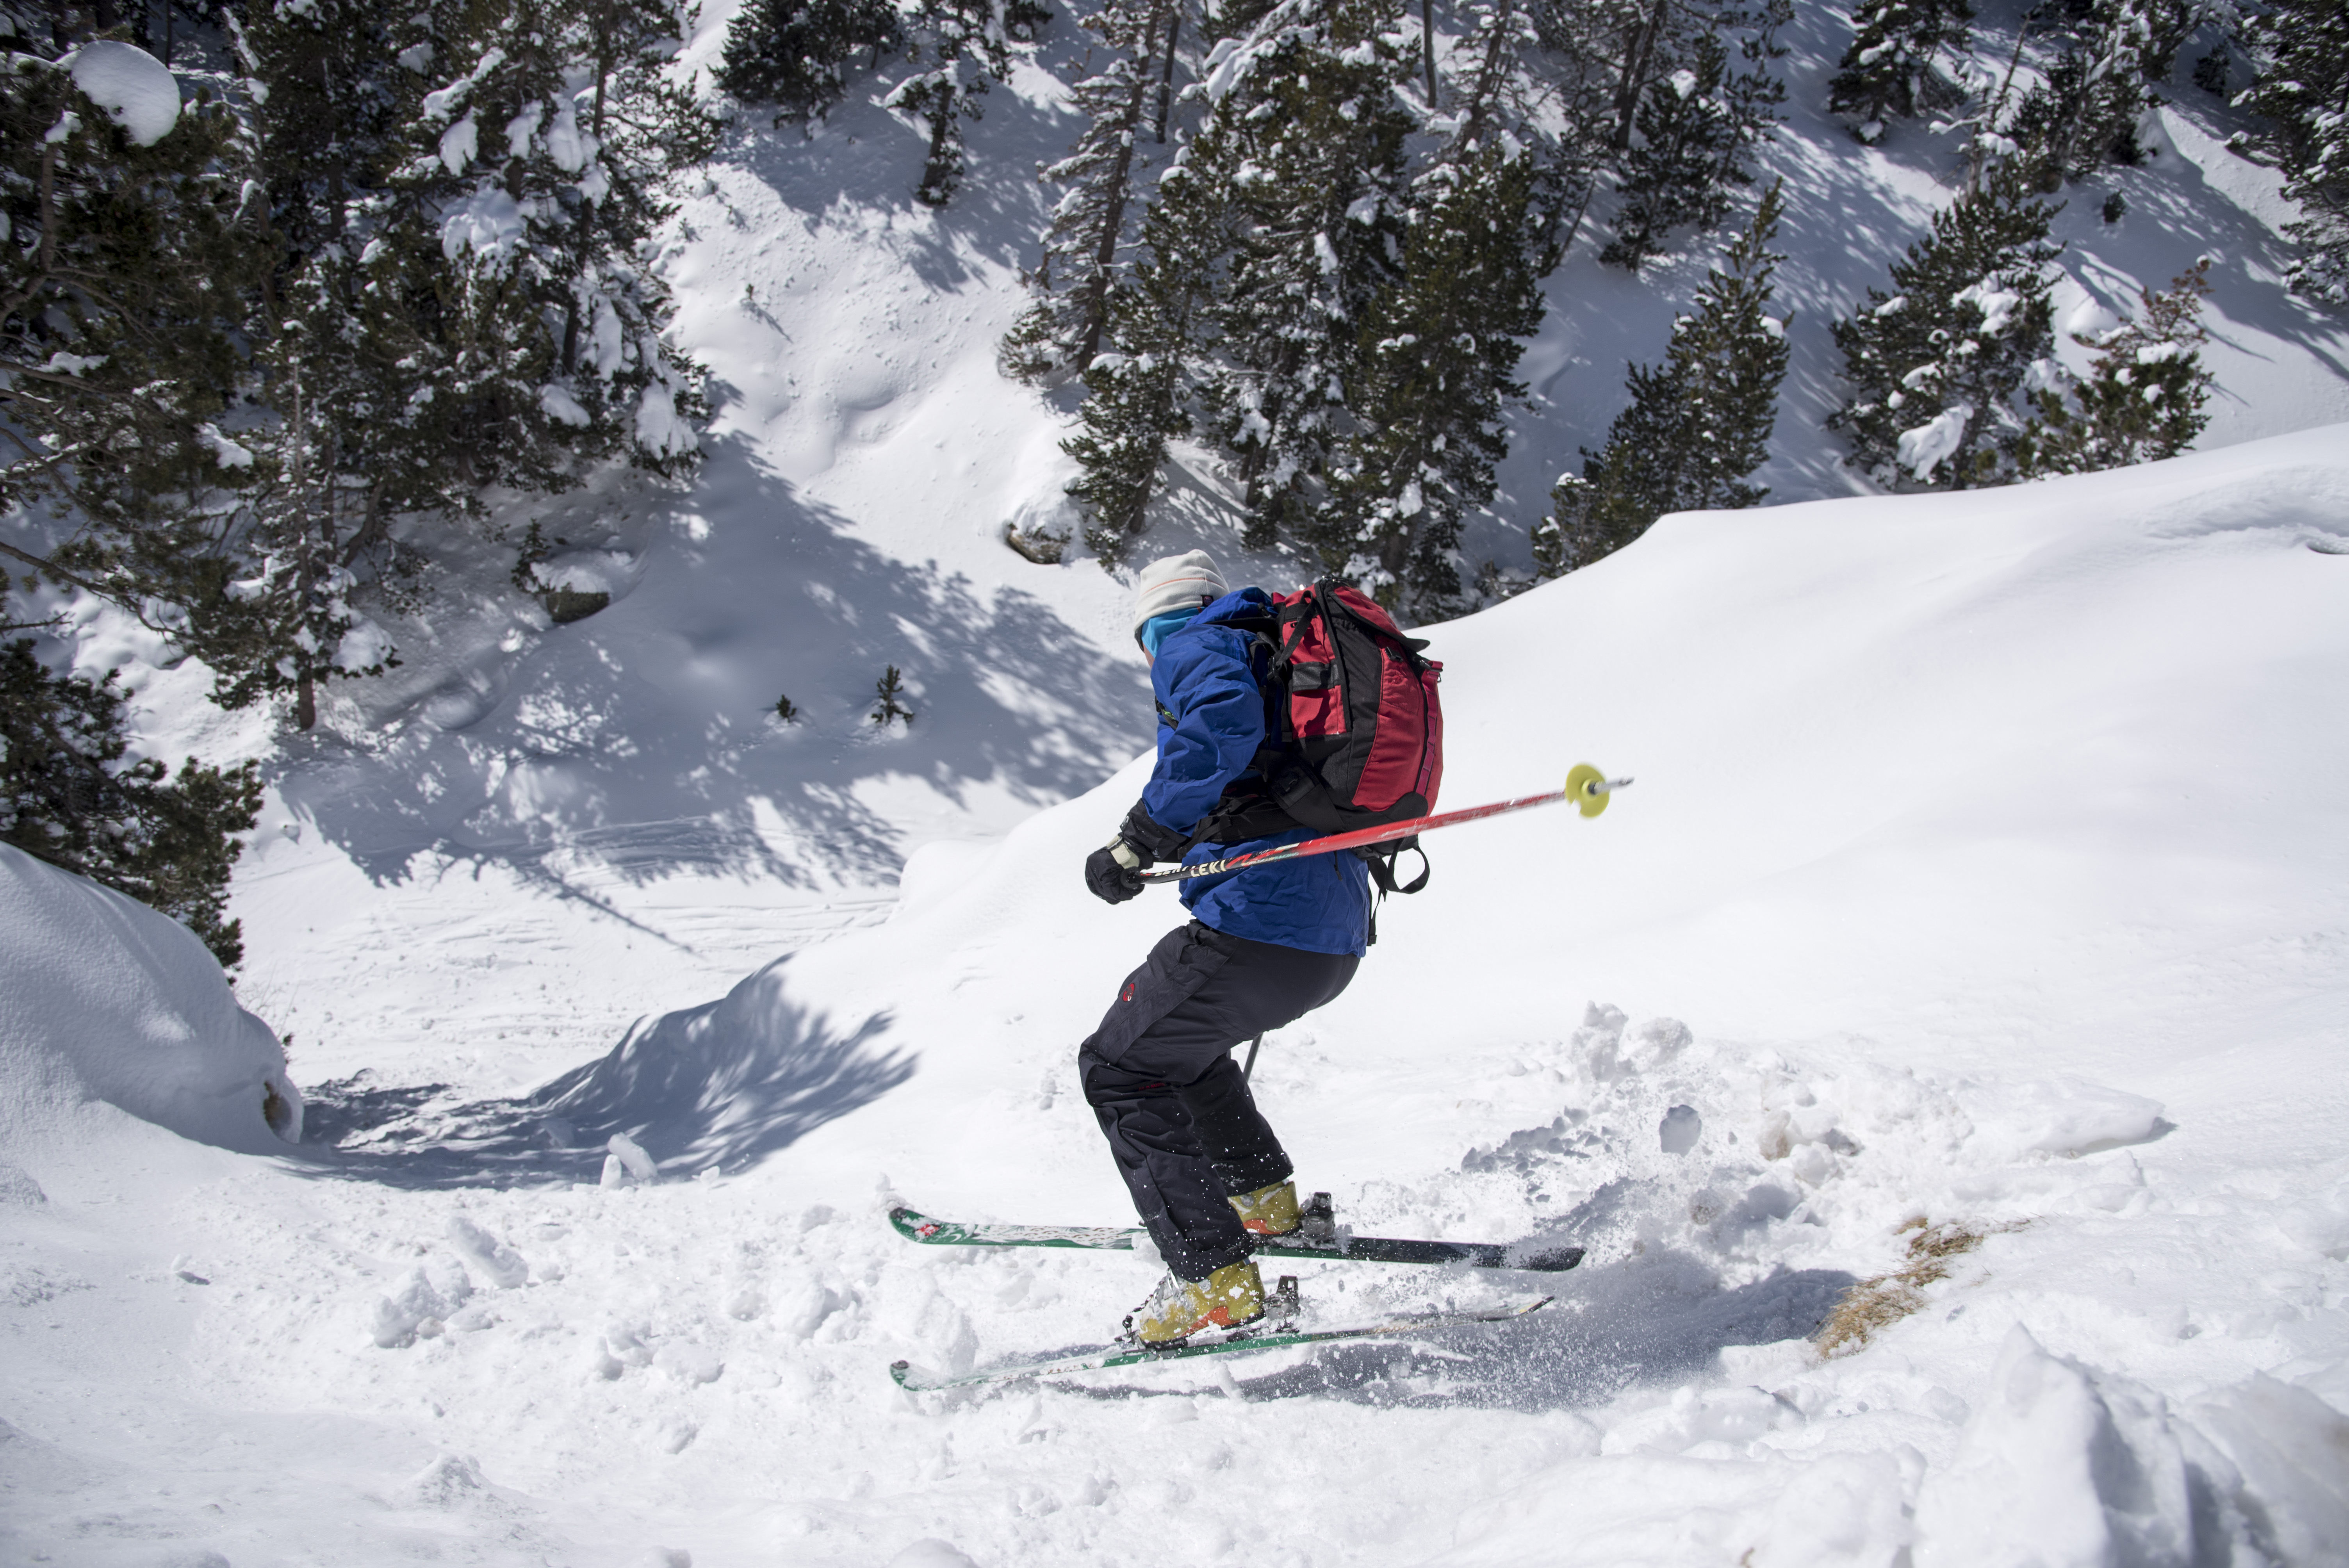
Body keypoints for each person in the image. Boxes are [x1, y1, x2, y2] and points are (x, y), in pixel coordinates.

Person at [1078, 549, 1372, 1345]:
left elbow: (1218, 723)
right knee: (1177, 1051)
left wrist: (1139, 839)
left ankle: (1213, 1277)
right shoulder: (1269, 647)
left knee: (1116, 1067)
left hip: (1260, 923)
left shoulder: (1192, 643)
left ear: (1150, 629)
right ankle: (1260, 1203)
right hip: (1331, 933)